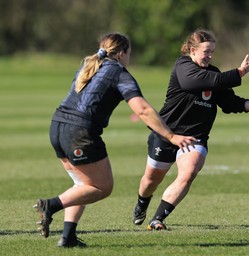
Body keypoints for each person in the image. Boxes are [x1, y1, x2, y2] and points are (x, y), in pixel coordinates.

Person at [33, 32, 196, 248]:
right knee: (103, 187)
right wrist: (171, 136)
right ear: (122, 53)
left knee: (81, 184)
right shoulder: (119, 72)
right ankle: (50, 205)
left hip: (57, 127)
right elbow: (143, 110)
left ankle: (68, 237)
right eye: (129, 54)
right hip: (80, 133)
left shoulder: (88, 65)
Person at [132, 29, 249, 231]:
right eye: (206, 51)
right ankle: (142, 203)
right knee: (151, 180)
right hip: (168, 132)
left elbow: (230, 103)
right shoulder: (183, 66)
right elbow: (197, 82)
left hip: (196, 137)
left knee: (189, 172)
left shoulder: (214, 73)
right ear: (192, 51)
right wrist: (239, 73)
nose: (210, 56)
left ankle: (157, 219)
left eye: (212, 51)